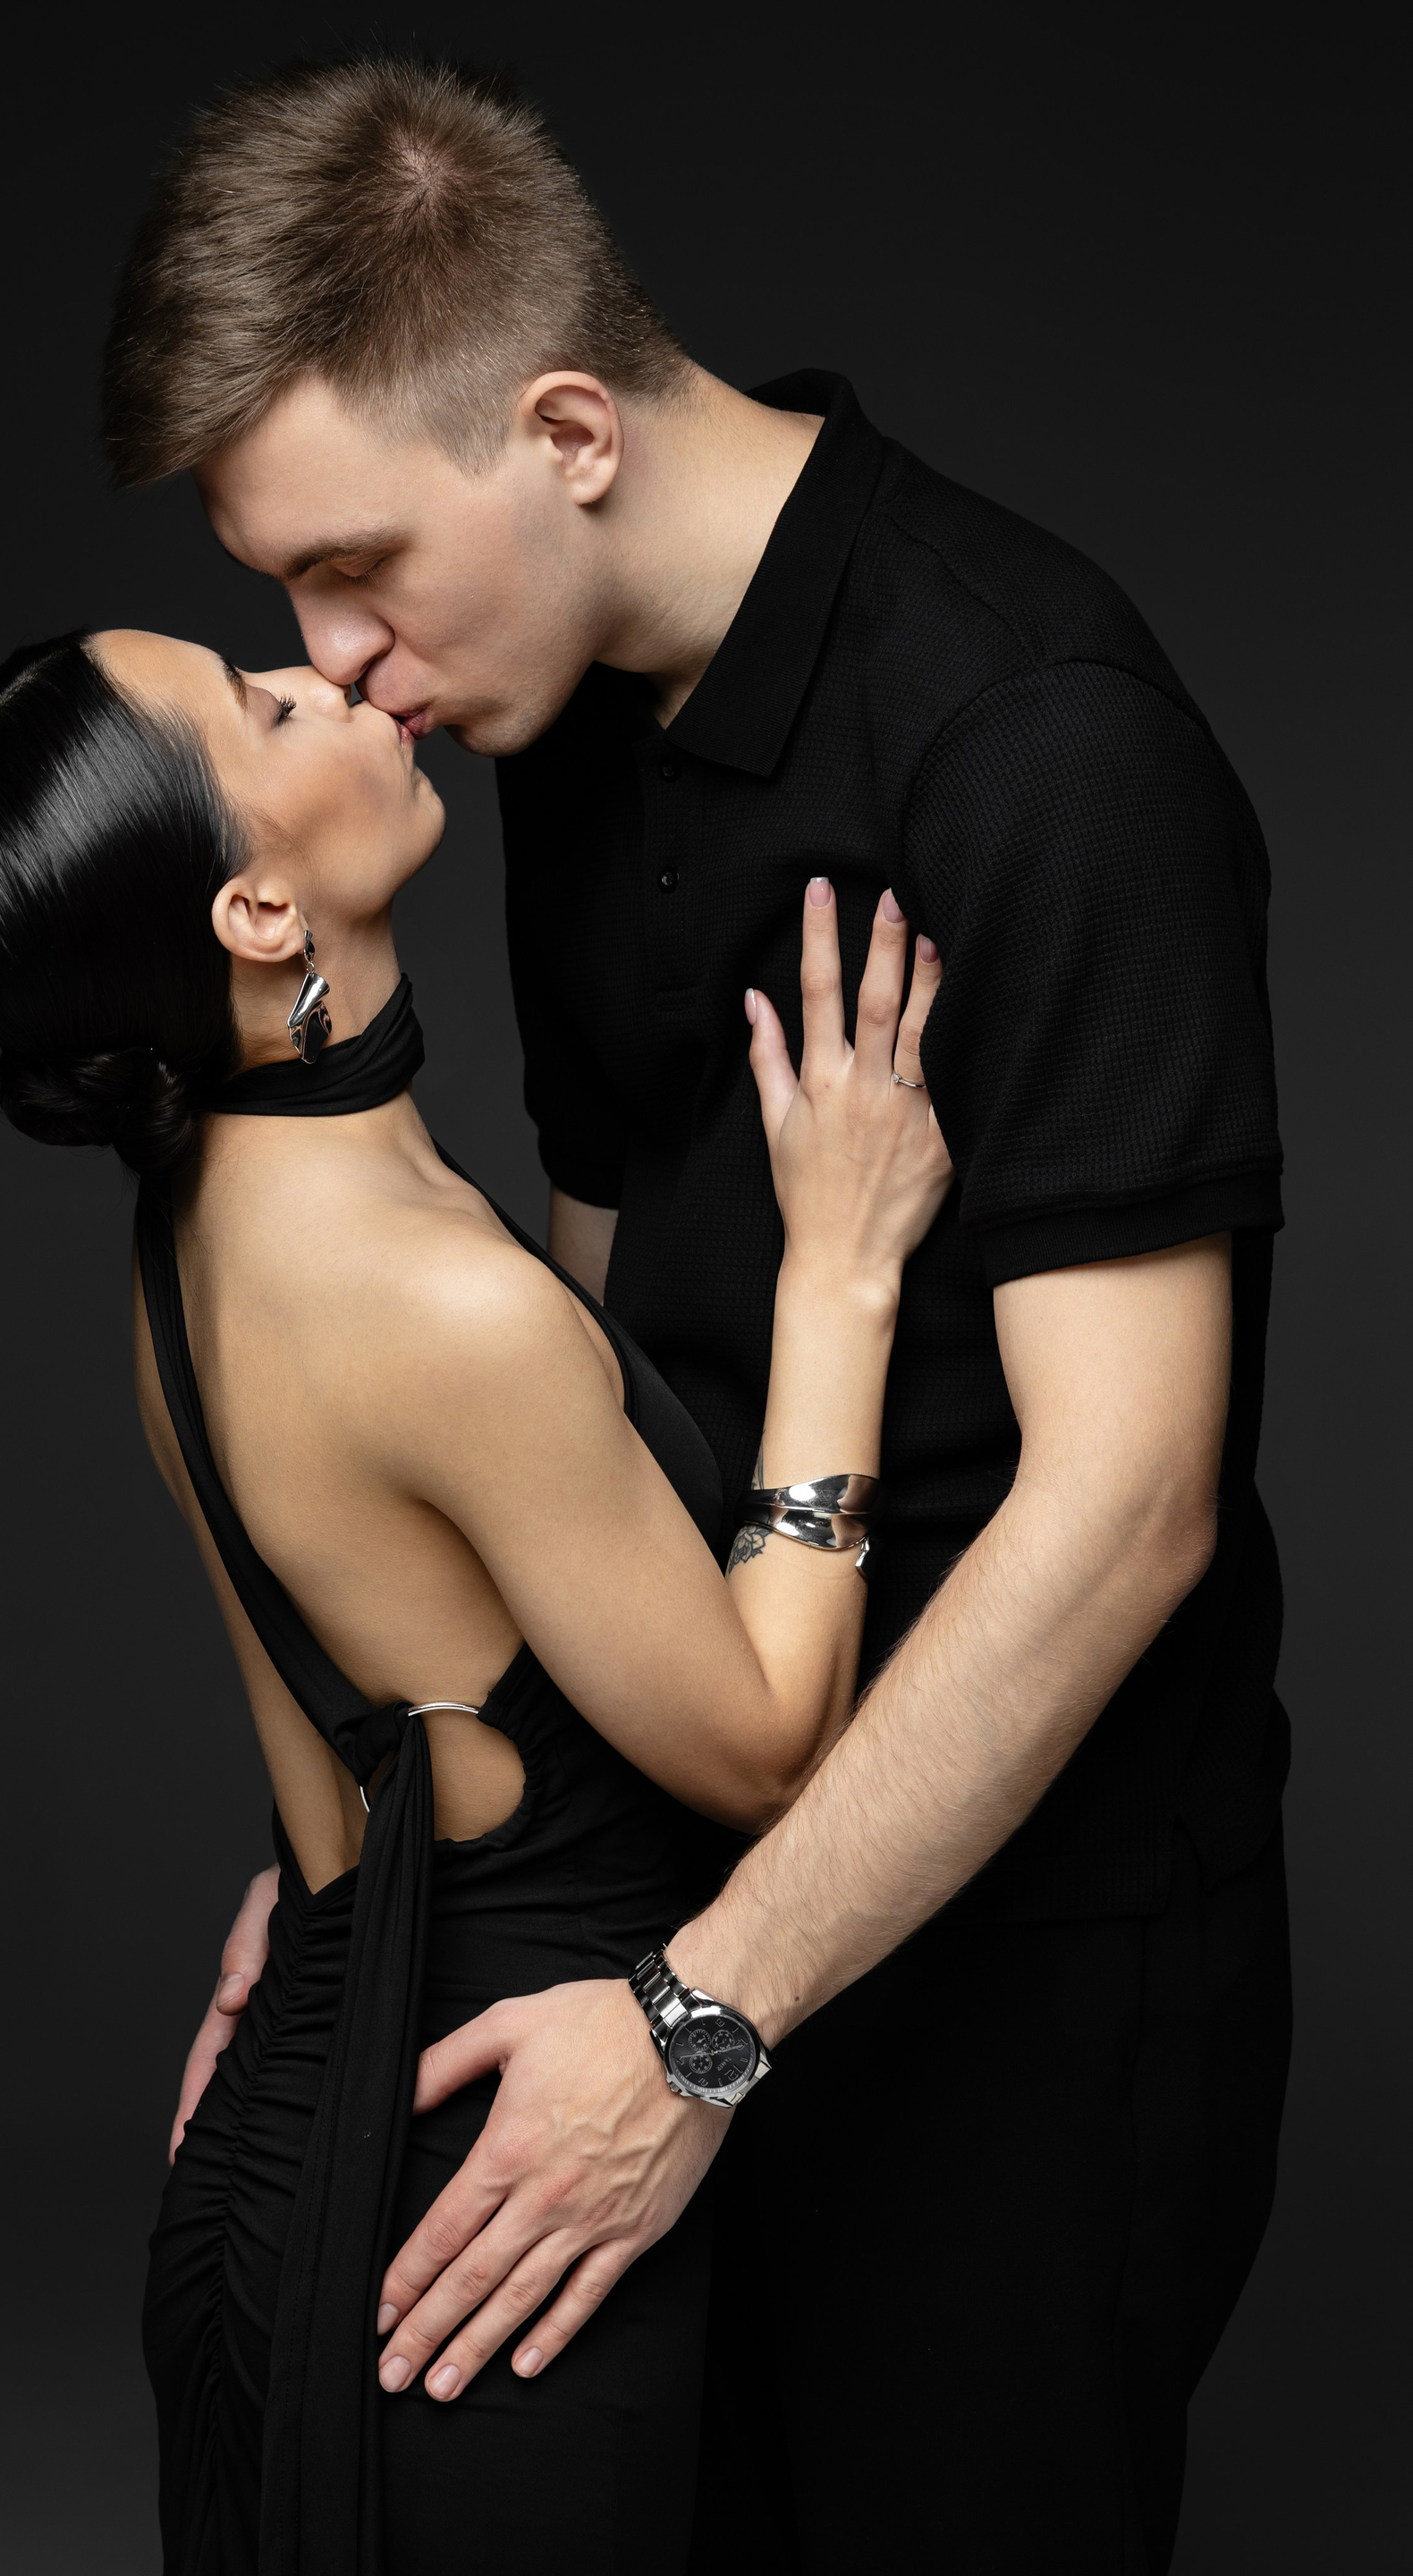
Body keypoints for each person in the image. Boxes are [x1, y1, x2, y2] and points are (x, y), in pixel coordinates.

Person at [101, 58, 1293, 2572]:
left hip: (1009, 1984)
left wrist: (703, 2017)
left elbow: (1129, 1507)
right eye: (284, 599)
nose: (337, 665)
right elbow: (589, 1368)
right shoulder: (550, 723)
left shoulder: (1038, 741)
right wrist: (382, 1878)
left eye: (354, 569)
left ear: (566, 433)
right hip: (667, 1926)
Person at [0, 624, 952, 2572]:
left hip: (299, 2146)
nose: (329, 679)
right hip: (484, 2234)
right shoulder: (429, 1302)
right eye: (261, 708)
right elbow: (764, 1747)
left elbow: (393, 1653)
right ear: (256, 906)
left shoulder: (198, 1220)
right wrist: (844, 1273)